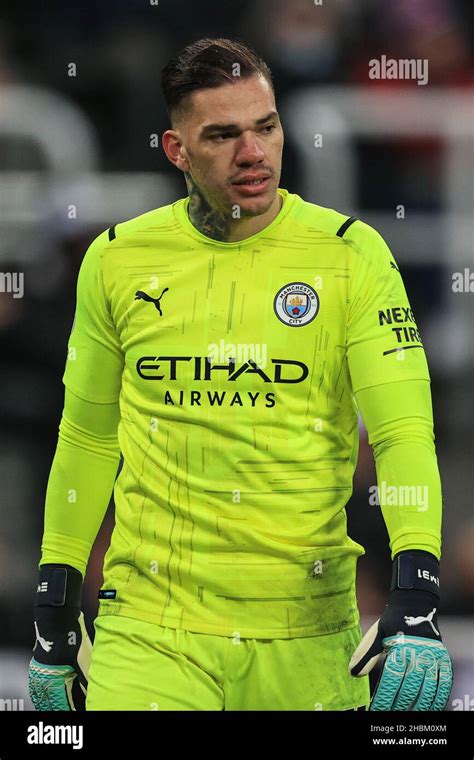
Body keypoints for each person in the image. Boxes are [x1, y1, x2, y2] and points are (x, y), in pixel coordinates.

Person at [29, 37, 452, 711]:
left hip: (309, 636)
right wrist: (53, 607)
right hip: (149, 633)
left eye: (266, 127)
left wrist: (418, 593)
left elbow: (403, 432)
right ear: (177, 150)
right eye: (222, 135)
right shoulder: (116, 260)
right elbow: (85, 439)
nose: (253, 154)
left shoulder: (352, 256)